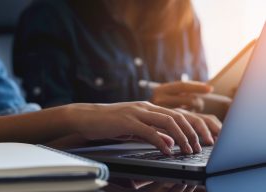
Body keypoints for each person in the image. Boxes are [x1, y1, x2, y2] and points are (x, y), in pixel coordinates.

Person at [0, 0, 220, 155]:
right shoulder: (52, 14)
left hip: (152, 160)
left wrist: (132, 128)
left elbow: (10, 115)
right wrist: (74, 117)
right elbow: (41, 115)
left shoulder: (182, 16)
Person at [13, 0, 212, 113]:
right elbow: (49, 123)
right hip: (103, 167)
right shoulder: (51, 17)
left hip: (181, 152)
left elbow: (204, 96)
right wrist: (146, 109)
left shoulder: (183, 17)